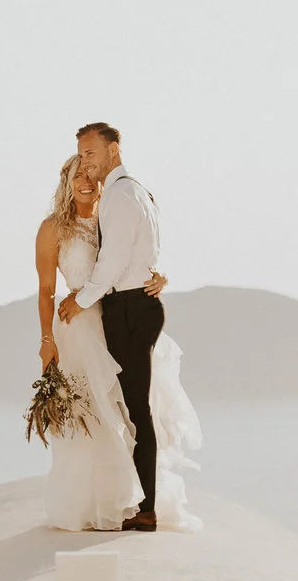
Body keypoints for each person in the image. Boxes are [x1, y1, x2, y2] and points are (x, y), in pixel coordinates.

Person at [54, 122, 199, 532]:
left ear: (113, 150)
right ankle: (135, 499)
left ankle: (146, 507)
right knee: (131, 405)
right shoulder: (136, 191)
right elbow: (142, 253)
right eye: (81, 154)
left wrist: (78, 300)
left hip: (130, 310)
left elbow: (114, 261)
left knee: (135, 409)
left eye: (91, 152)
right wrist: (156, 276)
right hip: (134, 304)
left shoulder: (119, 195)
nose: (86, 160)